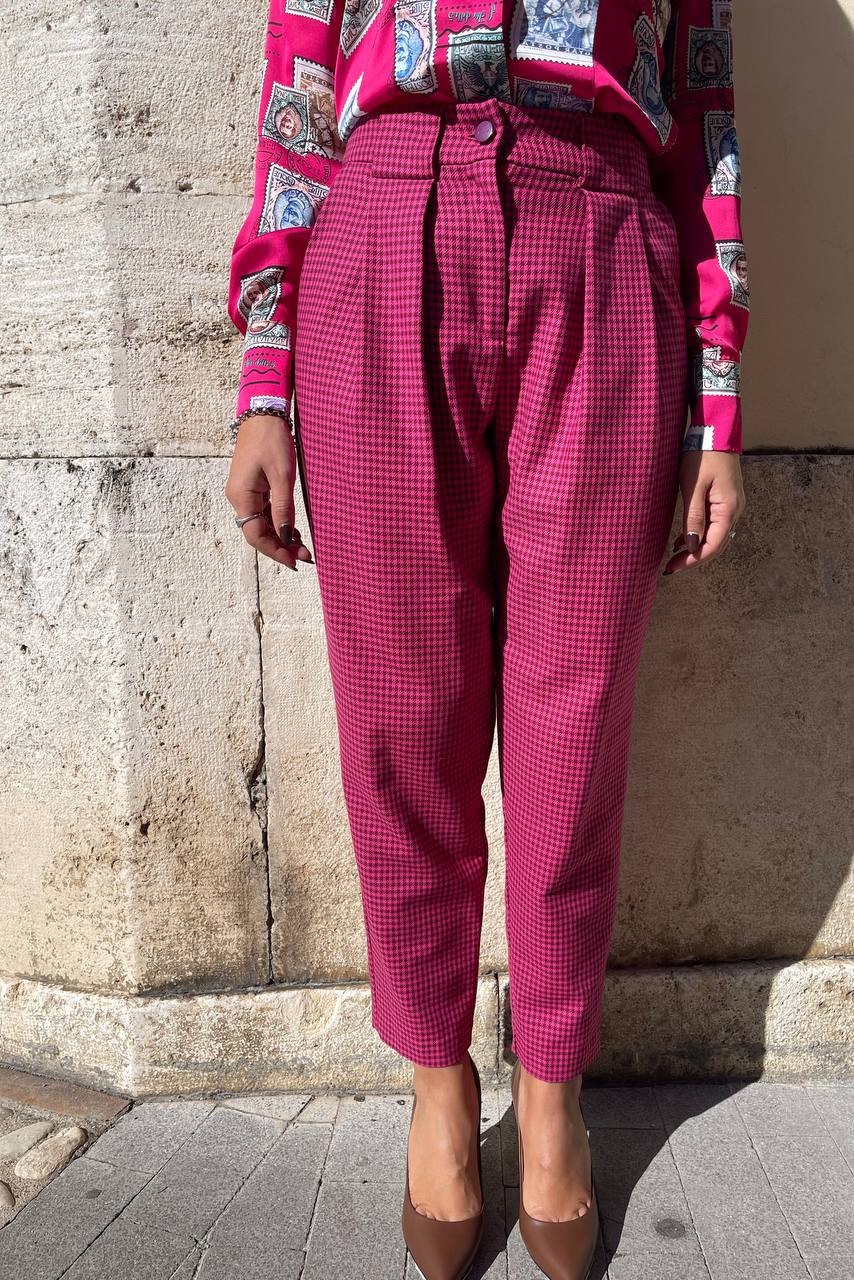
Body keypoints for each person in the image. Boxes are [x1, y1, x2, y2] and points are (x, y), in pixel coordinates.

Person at [223, 1, 748, 1277]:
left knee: (576, 722)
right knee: (401, 714)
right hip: (384, 226)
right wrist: (265, 375)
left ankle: (554, 1085)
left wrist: (717, 396)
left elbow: (705, 114)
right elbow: (299, 98)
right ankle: (438, 1078)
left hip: (604, 232)